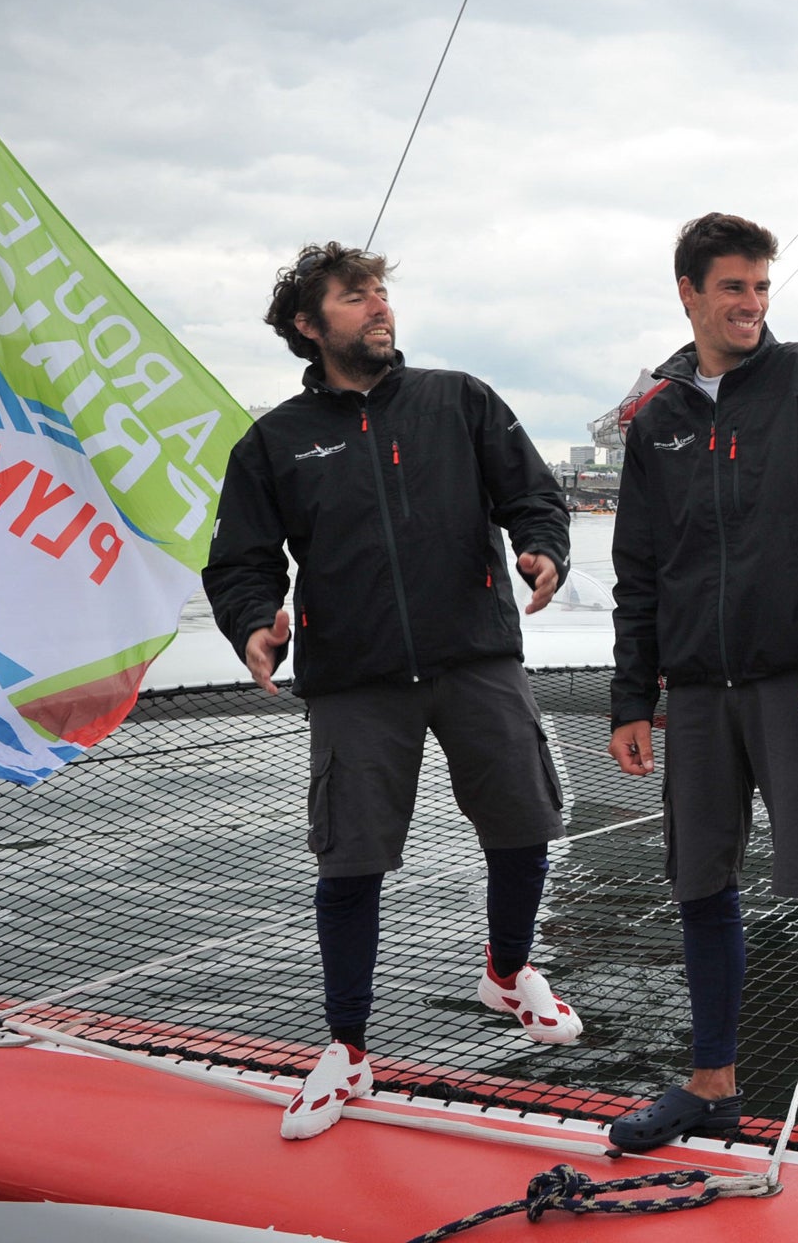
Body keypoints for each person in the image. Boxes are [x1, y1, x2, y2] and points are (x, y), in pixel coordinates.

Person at [204, 242, 579, 1142]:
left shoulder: (460, 400)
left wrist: (542, 546)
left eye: (382, 291)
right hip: (355, 679)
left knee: (526, 822)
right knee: (351, 860)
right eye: (354, 295)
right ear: (308, 324)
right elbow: (241, 562)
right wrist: (255, 620)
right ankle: (347, 1049)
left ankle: (507, 969)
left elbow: (534, 494)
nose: (378, 306)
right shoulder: (273, 444)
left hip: (475, 655)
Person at [605, 212, 798, 1179]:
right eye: (732, 287)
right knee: (700, 887)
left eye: (761, 286)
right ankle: (712, 1085)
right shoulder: (656, 419)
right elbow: (638, 572)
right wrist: (627, 699)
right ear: (688, 293)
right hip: (695, 693)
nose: (750, 304)